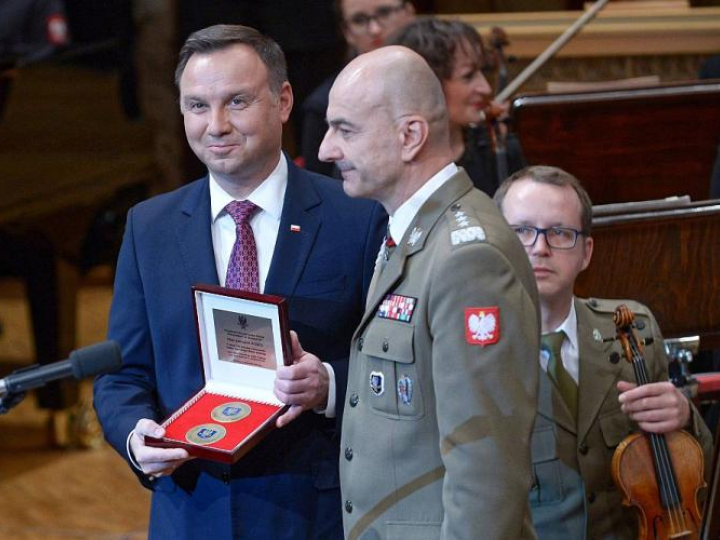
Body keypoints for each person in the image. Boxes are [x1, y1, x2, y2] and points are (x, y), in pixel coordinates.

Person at [93, 24, 385, 539]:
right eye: (197, 106)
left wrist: (329, 386)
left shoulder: (357, 218)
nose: (217, 125)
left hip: (316, 514)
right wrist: (137, 436)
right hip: (190, 513)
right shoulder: (149, 226)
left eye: (238, 101)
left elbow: (396, 366)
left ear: (284, 100)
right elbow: (122, 374)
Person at [314, 45, 540, 539]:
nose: (326, 150)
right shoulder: (410, 232)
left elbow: (487, 463)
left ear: (410, 135)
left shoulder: (466, 257)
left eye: (345, 129)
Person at [493, 165, 714, 539]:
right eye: (522, 232)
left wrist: (683, 416)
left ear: (586, 252)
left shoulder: (631, 328)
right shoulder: (475, 350)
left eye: (560, 232)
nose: (540, 247)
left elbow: (697, 472)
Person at [388, 17, 526, 197]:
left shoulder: (497, 147)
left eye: (482, 71)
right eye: (468, 76)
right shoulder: (387, 166)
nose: (485, 87)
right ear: (428, 84)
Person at [301, 0, 416, 176]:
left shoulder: (450, 83)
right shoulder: (322, 106)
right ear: (347, 32)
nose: (375, 29)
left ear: (409, 12)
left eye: (385, 13)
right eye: (359, 20)